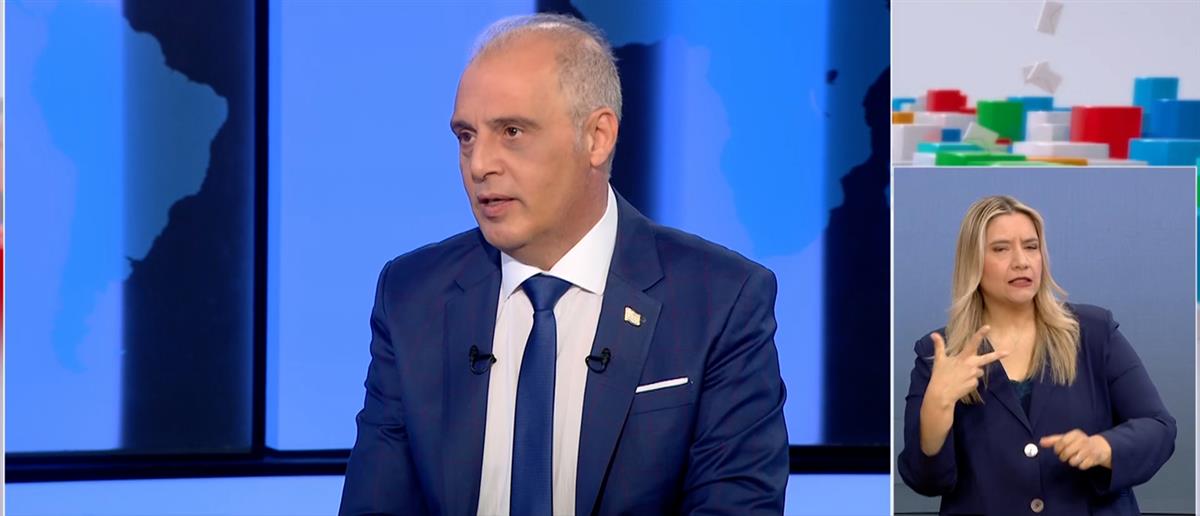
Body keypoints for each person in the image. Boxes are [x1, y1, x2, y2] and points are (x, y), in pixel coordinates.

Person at [339, 14, 789, 516]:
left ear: (597, 137)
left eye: (512, 131)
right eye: (466, 136)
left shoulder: (721, 301)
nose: (479, 164)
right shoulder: (412, 296)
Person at [898, 195, 1176, 515]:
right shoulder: (940, 354)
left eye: (1031, 247)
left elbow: (1159, 427)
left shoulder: (1094, 332)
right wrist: (937, 406)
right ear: (972, 262)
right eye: (1001, 249)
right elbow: (925, 480)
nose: (1021, 261)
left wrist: (1104, 448)